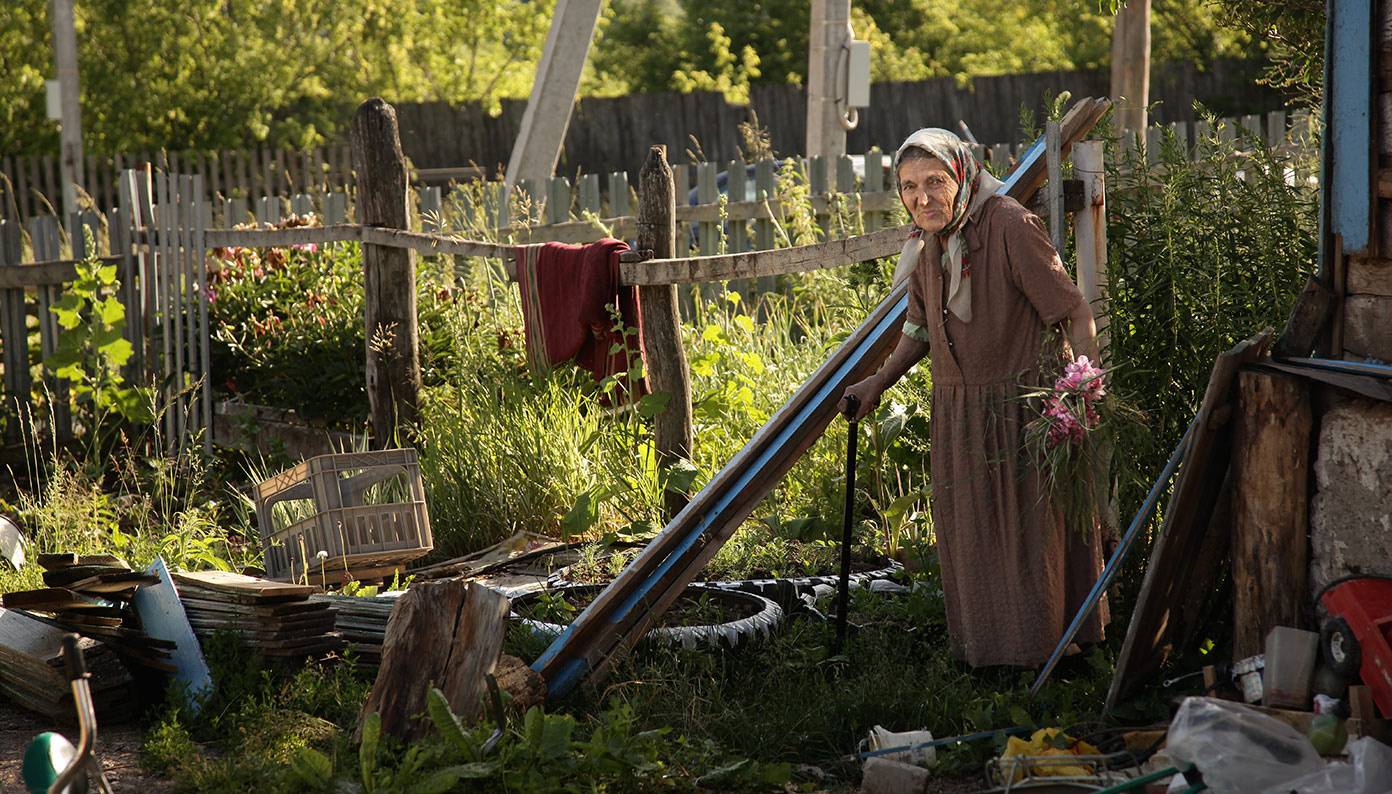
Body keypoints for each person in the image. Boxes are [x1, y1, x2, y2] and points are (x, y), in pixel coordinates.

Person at [839, 128, 1107, 668]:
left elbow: (1074, 312)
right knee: (976, 538)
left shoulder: (1009, 225)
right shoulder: (929, 244)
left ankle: (1057, 655)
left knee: (1031, 536)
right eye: (909, 187)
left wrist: (1083, 389)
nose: (922, 198)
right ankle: (993, 658)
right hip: (960, 414)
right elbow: (918, 330)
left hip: (1022, 410)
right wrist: (877, 382)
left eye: (934, 182)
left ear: (961, 175)